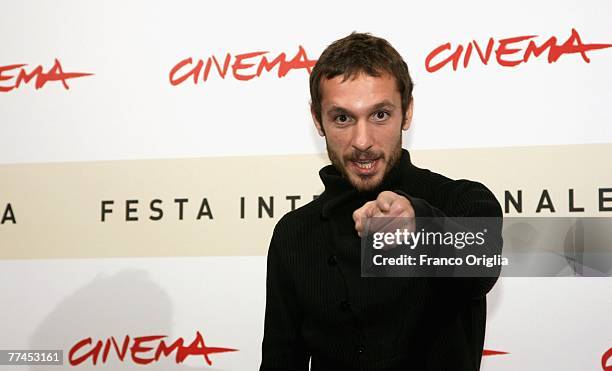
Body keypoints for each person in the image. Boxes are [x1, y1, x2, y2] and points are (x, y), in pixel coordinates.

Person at [260, 32, 502, 371]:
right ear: (318, 120)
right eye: (342, 118)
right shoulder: (294, 233)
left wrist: (419, 224)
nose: (362, 141)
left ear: (407, 113)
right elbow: (280, 361)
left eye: (380, 115)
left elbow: (481, 266)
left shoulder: (462, 201)